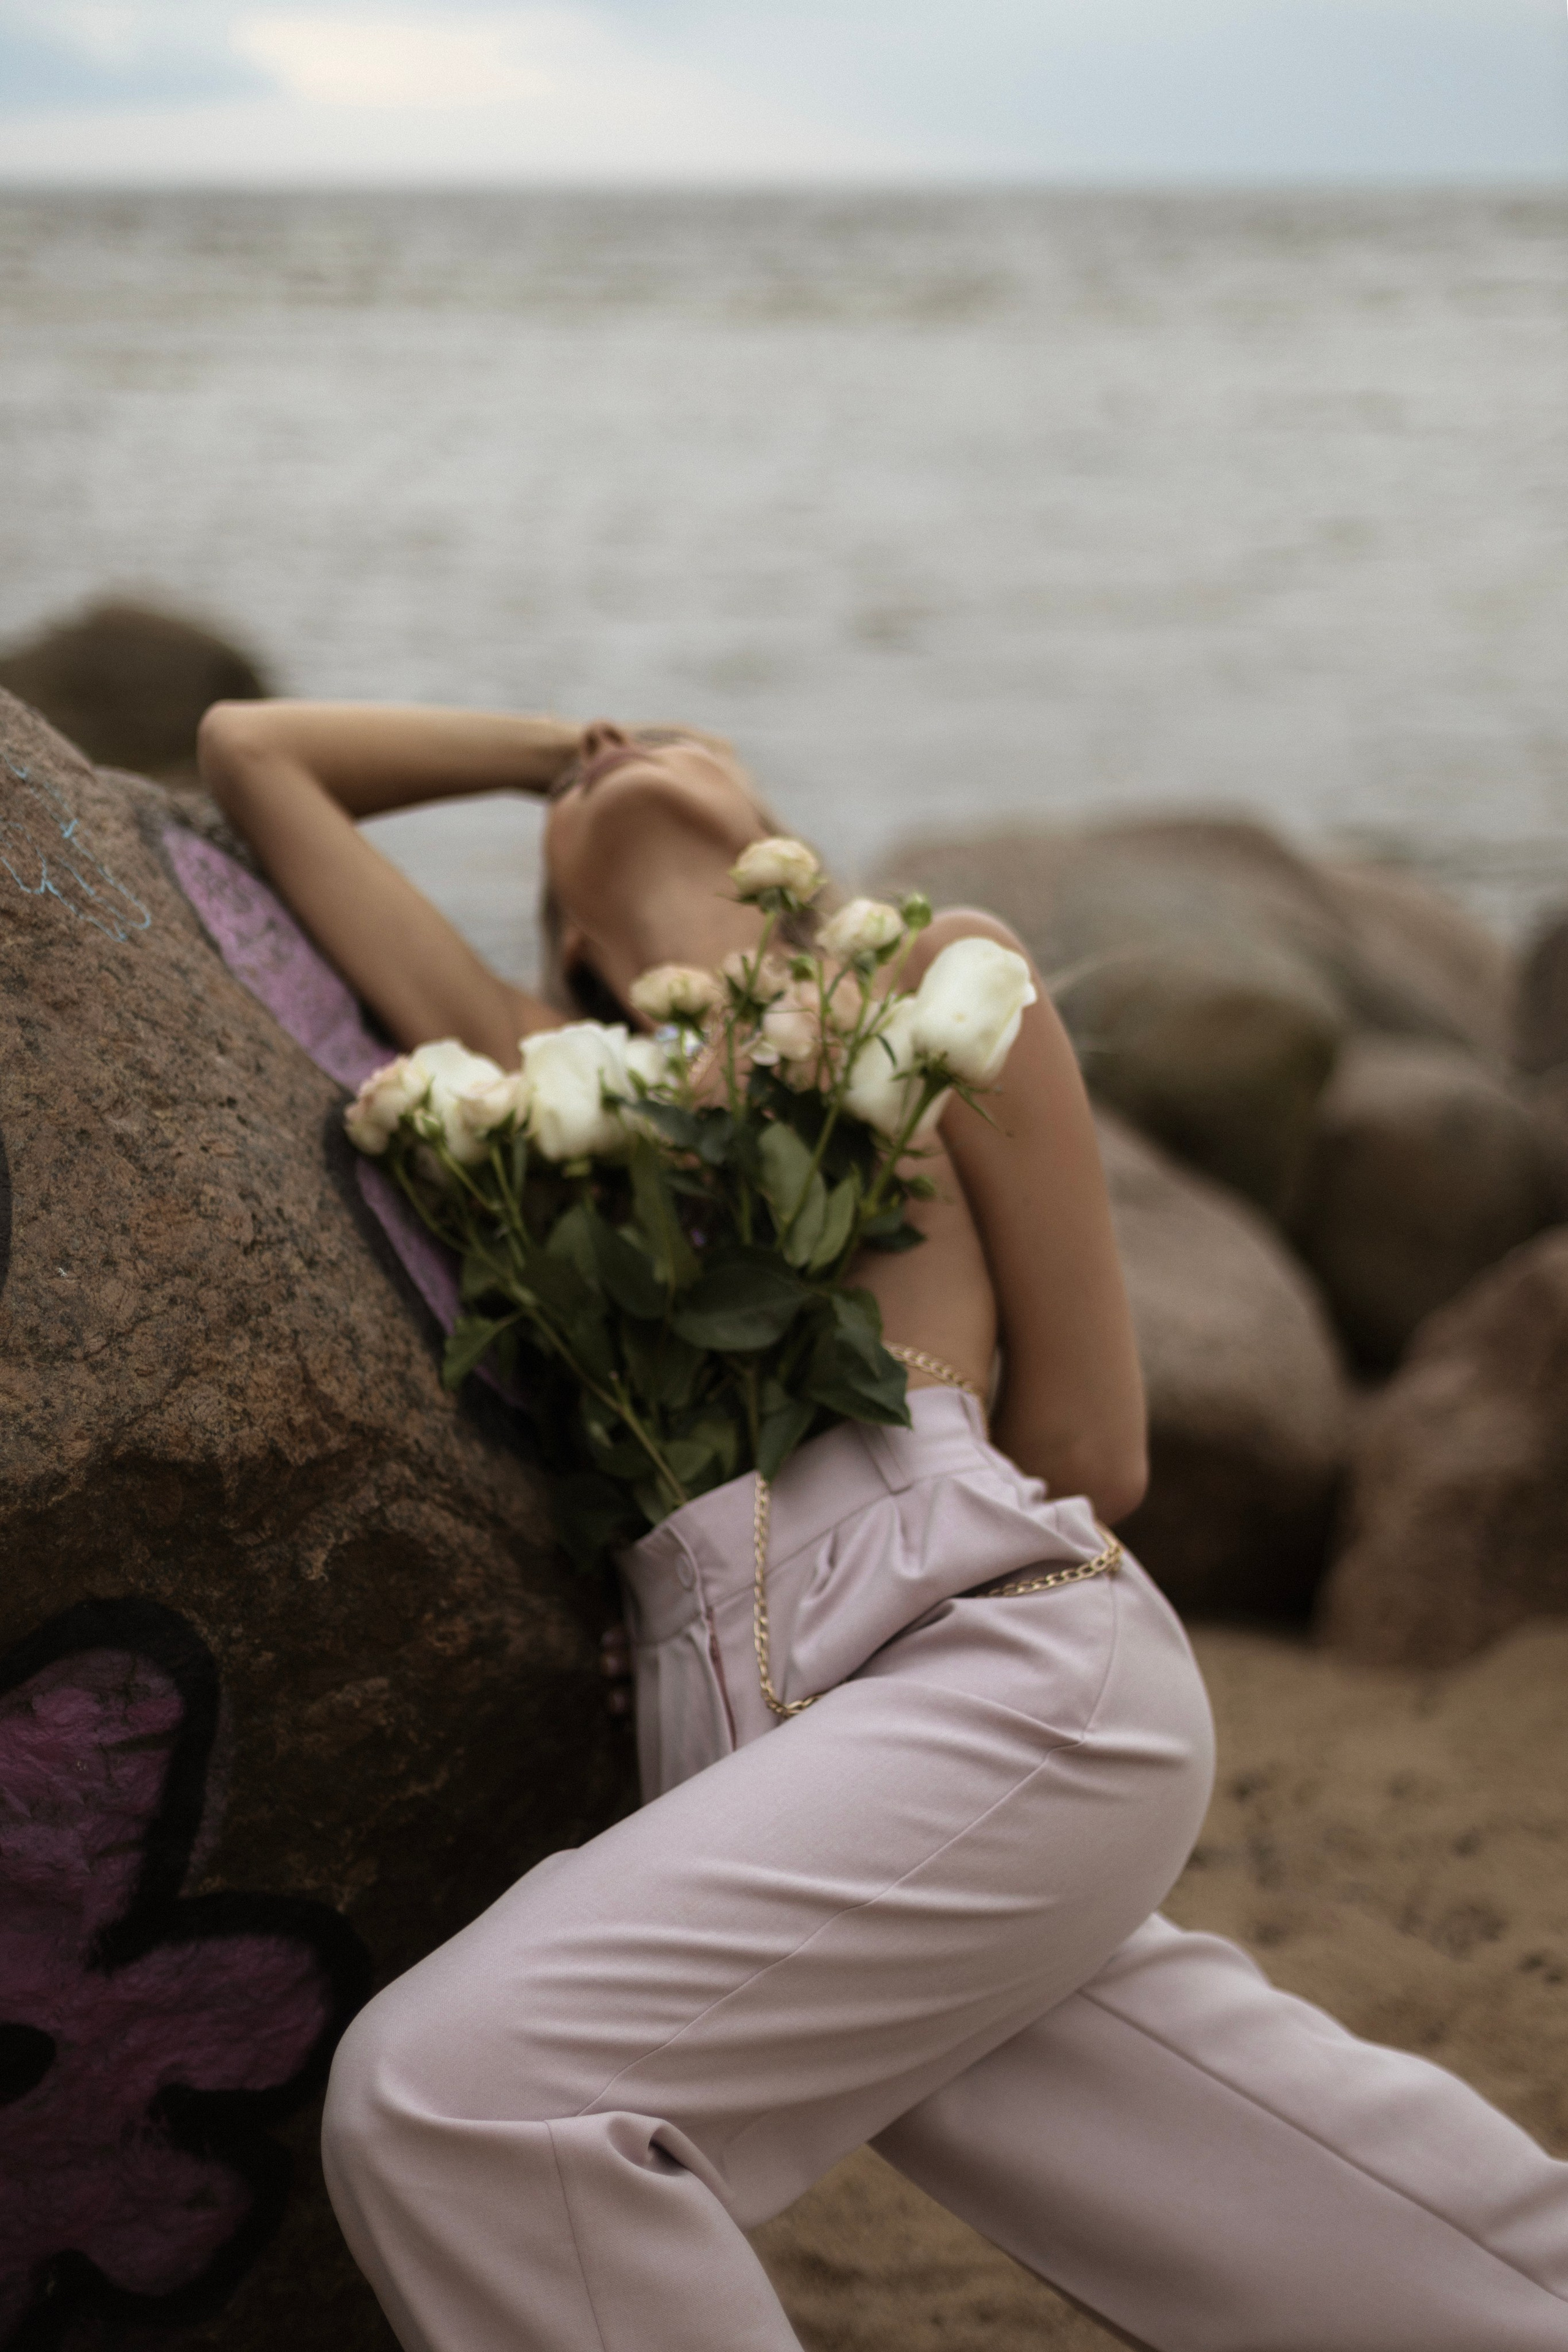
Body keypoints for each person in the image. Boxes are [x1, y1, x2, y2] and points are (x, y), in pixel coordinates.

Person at [200, 700, 1568, 2352]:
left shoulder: (924, 984)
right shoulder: (523, 1072)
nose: (616, 757)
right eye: (580, 783)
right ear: (563, 933)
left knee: (458, 2104)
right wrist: (537, 740)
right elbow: (250, 750)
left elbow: (1096, 1445)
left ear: (779, 835)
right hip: (749, 1751)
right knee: (1297, 2183)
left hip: (984, 1644)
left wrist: (901, 1378)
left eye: (674, 738)